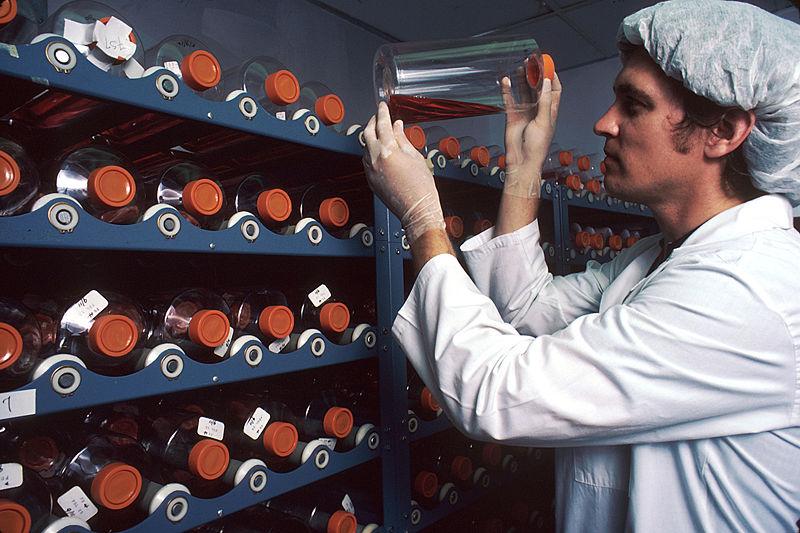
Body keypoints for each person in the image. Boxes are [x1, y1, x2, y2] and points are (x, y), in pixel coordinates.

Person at [362, 1, 800, 531]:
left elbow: (495, 393)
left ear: (723, 131)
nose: (602, 122)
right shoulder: (655, 259)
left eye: (632, 105)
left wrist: (422, 219)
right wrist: (525, 167)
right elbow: (523, 312)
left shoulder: (749, 288)